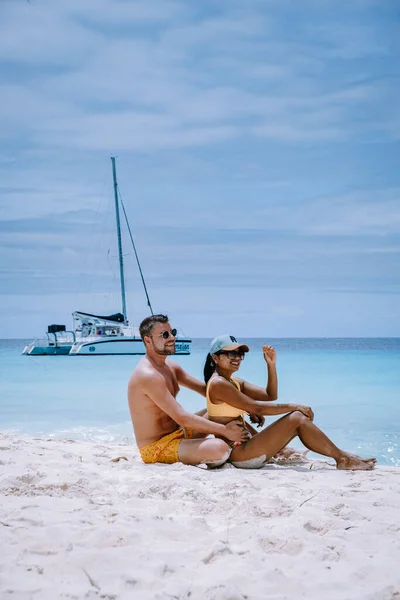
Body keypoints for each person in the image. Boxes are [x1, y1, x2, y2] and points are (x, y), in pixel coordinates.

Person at [205, 334, 377, 470]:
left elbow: (269, 395)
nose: (237, 358)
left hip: (246, 448)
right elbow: (257, 407)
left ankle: (342, 456)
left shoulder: (233, 381)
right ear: (215, 358)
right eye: (231, 353)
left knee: (298, 421)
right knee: (296, 417)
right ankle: (343, 458)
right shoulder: (218, 383)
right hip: (239, 453)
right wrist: (295, 406)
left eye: (240, 354)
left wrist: (271, 365)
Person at [128, 315, 249, 467]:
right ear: (148, 341)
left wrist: (247, 407)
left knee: (221, 410)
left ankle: (257, 446)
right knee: (219, 448)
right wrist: (225, 430)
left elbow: (208, 392)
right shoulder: (148, 375)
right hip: (156, 447)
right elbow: (182, 417)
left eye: (173, 332)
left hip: (179, 433)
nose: (172, 338)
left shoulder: (171, 367)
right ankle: (233, 445)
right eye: (165, 335)